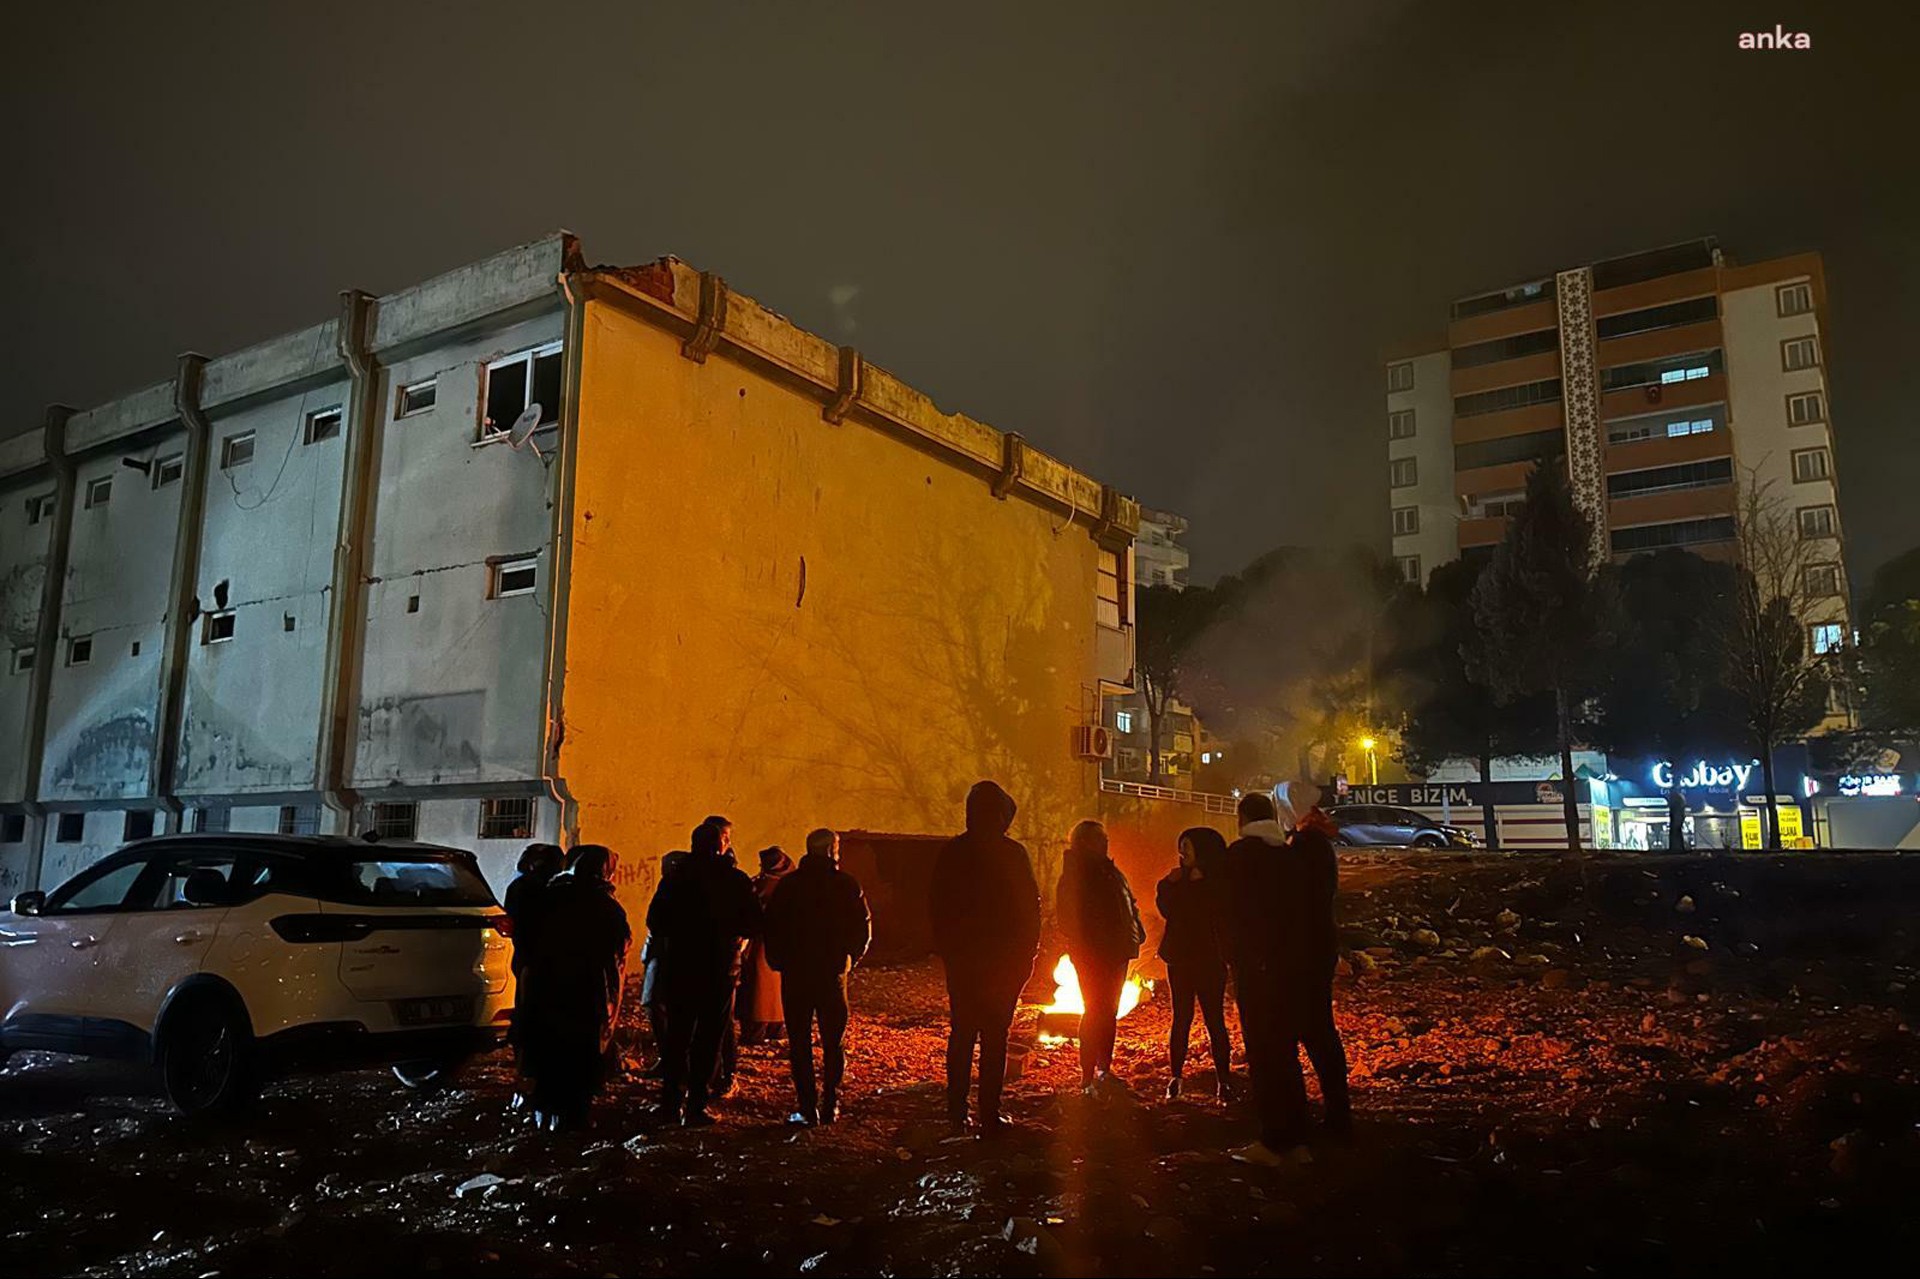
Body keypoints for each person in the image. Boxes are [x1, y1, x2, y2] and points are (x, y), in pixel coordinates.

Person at [1218, 785, 1351, 1167]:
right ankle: (1301, 1137)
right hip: (1296, 965)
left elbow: (1235, 916)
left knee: (1269, 1052)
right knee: (1294, 1048)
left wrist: (1237, 961)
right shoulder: (1291, 856)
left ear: (1242, 820)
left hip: (1264, 971)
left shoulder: (1245, 856)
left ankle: (1277, 1140)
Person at [929, 780, 1041, 1136]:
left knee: (962, 1034)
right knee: (995, 1038)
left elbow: (937, 908)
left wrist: (950, 951)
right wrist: (1026, 956)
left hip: (965, 963)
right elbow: (1030, 910)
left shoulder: (953, 852)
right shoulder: (1012, 854)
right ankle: (989, 1113)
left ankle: (956, 1112)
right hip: (1003, 964)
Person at [647, 820, 760, 1126]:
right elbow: (752, 924)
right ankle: (697, 1103)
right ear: (721, 842)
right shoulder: (735, 879)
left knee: (678, 1035)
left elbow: (655, 921)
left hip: (680, 965)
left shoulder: (676, 878)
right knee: (709, 1037)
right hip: (718, 968)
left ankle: (671, 1102)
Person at [513, 844, 631, 1131]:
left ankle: (545, 1111)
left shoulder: (551, 896)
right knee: (581, 1052)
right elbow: (619, 947)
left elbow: (528, 937)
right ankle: (574, 1116)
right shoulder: (605, 905)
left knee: (549, 1049)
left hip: (547, 988)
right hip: (587, 990)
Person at [763, 828, 872, 1126]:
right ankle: (831, 1104)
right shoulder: (846, 885)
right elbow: (862, 926)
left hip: (796, 973)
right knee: (833, 1040)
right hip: (831, 974)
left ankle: (807, 1106)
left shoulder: (790, 886)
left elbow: (772, 925)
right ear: (831, 851)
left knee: (799, 1041)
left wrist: (779, 961)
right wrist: (850, 959)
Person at [1055, 819, 1144, 1097]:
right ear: (1083, 842)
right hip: (1094, 955)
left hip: (1117, 952)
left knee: (1109, 1011)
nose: (1105, 843)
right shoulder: (1077, 875)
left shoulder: (1111, 872)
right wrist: (1092, 945)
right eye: (1099, 839)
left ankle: (1104, 1069)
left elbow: (1129, 903)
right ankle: (1086, 1076)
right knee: (1095, 1010)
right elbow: (1068, 918)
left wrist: (1136, 931)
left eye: (1105, 838)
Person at [1156, 827, 1236, 1102]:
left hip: (1209, 959)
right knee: (1181, 1018)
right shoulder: (1179, 881)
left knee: (1215, 1021)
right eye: (1181, 846)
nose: (1182, 852)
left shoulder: (1219, 883)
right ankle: (1176, 1077)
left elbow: (1210, 912)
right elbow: (1168, 909)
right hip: (1180, 959)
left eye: (1187, 847)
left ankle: (1223, 1081)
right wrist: (1170, 884)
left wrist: (1189, 886)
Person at [702, 815, 743, 1096]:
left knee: (722, 1023)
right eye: (723, 837)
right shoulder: (731, 877)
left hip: (709, 960)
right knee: (716, 1022)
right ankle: (713, 1076)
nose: (727, 842)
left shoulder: (684, 873)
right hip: (718, 961)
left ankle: (722, 1074)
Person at [639, 849, 690, 1075]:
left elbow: (655, 920)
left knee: (658, 1004)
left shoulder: (672, 887)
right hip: (672, 956)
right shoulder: (682, 886)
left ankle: (673, 1061)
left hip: (667, 955)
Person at [738, 846, 795, 1045]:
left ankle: (757, 1031)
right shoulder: (794, 884)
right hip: (782, 945)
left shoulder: (760, 885)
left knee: (758, 988)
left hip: (760, 944)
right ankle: (776, 1028)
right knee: (776, 989)